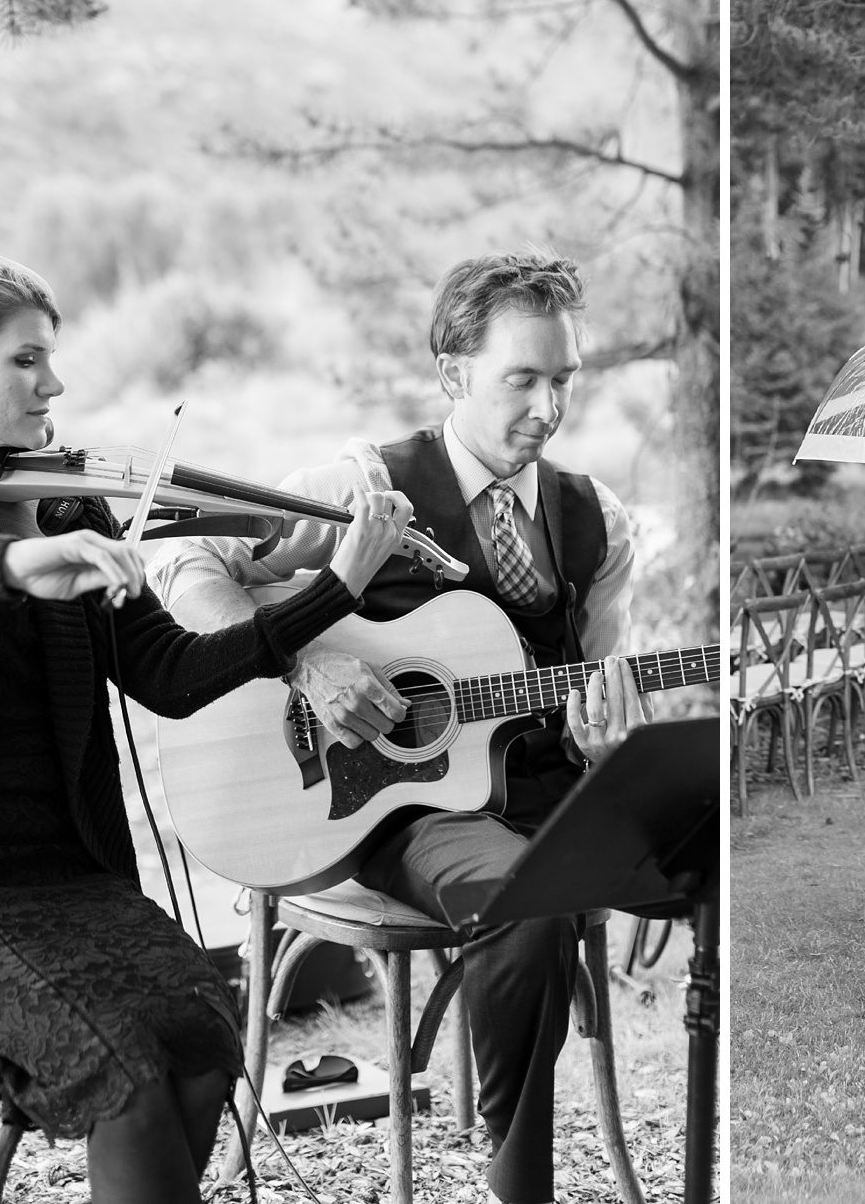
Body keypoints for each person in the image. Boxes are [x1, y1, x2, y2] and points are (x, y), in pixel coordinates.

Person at [0, 250, 412, 1204]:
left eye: (51, 359)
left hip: (62, 873)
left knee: (206, 1031)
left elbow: (175, 674)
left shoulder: (66, 501)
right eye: (25, 360)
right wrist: (9, 565)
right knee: (130, 1078)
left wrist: (333, 592)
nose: (54, 383)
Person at [157, 252, 646, 1204]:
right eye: (523, 380)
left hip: (541, 792)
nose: (548, 408)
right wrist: (304, 656)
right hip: (392, 806)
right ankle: (520, 1181)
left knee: (674, 858)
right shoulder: (361, 487)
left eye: (565, 380)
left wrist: (603, 741)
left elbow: (591, 687)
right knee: (531, 901)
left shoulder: (599, 522)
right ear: (454, 374)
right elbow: (193, 560)